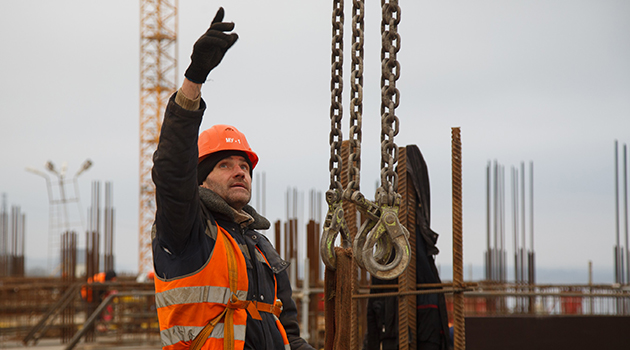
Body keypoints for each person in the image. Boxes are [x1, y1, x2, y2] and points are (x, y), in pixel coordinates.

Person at [151, 7, 314, 350]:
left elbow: (289, 334)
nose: (240, 170)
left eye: (244, 165)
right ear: (201, 179)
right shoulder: (188, 231)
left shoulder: (261, 249)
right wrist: (193, 81)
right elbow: (171, 171)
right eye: (225, 164)